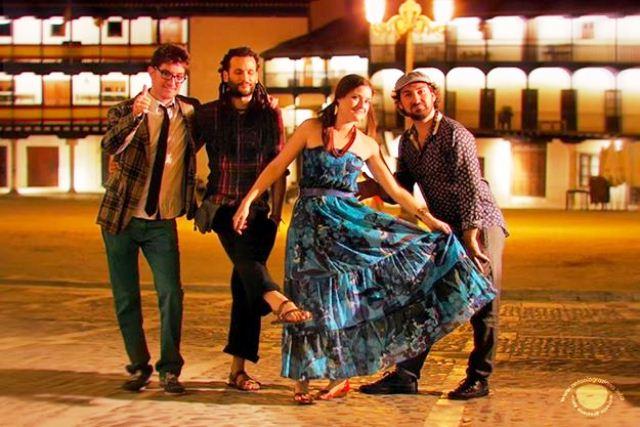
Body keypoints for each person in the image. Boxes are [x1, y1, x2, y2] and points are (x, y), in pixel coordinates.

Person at [232, 74, 496, 404]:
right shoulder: (311, 129)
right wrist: (247, 201)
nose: (362, 105)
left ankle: (339, 376)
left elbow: (395, 189)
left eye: (368, 100)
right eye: (356, 97)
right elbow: (276, 166)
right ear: (340, 98)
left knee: (344, 299)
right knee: (306, 293)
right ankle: (301, 382)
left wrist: (428, 219)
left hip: (348, 225)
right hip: (309, 225)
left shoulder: (368, 144)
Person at [358, 71, 508, 400]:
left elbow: (470, 187)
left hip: (481, 224)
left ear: (433, 95)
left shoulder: (455, 134)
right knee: (425, 297)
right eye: (408, 95)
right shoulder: (407, 142)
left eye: (421, 92)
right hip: (445, 227)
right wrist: (374, 187)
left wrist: (471, 235)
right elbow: (402, 185)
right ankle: (406, 375)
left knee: (484, 302)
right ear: (400, 104)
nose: (416, 99)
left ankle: (479, 378)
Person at [195, 46, 311, 393]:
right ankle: (278, 301)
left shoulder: (269, 114)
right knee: (248, 265)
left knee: (245, 284)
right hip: (223, 206)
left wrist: (276, 212)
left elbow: (279, 164)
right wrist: (190, 195)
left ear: (256, 75)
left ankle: (238, 370)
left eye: (250, 71)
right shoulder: (208, 114)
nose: (245, 77)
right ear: (225, 75)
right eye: (238, 71)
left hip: (261, 212)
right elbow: (182, 152)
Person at [97, 43, 201, 394]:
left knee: (171, 293)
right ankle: (138, 366)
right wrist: (135, 116)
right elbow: (110, 145)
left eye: (179, 76)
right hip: (121, 218)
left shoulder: (189, 112)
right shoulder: (125, 109)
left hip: (161, 221)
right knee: (126, 296)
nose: (173, 81)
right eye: (167, 74)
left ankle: (170, 369)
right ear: (152, 72)